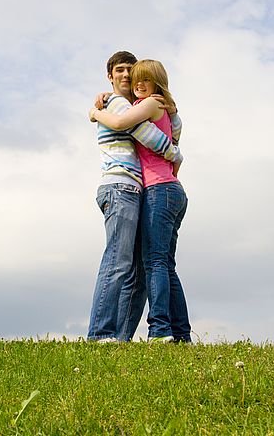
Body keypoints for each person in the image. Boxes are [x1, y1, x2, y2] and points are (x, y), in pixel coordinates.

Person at [90, 59, 191, 343]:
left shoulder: (144, 106)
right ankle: (169, 333)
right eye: (123, 72)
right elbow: (165, 143)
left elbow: (148, 136)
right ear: (109, 76)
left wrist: (95, 112)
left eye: (138, 76)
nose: (133, 80)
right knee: (146, 264)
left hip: (155, 190)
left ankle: (154, 332)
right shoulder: (131, 106)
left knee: (150, 265)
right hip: (141, 188)